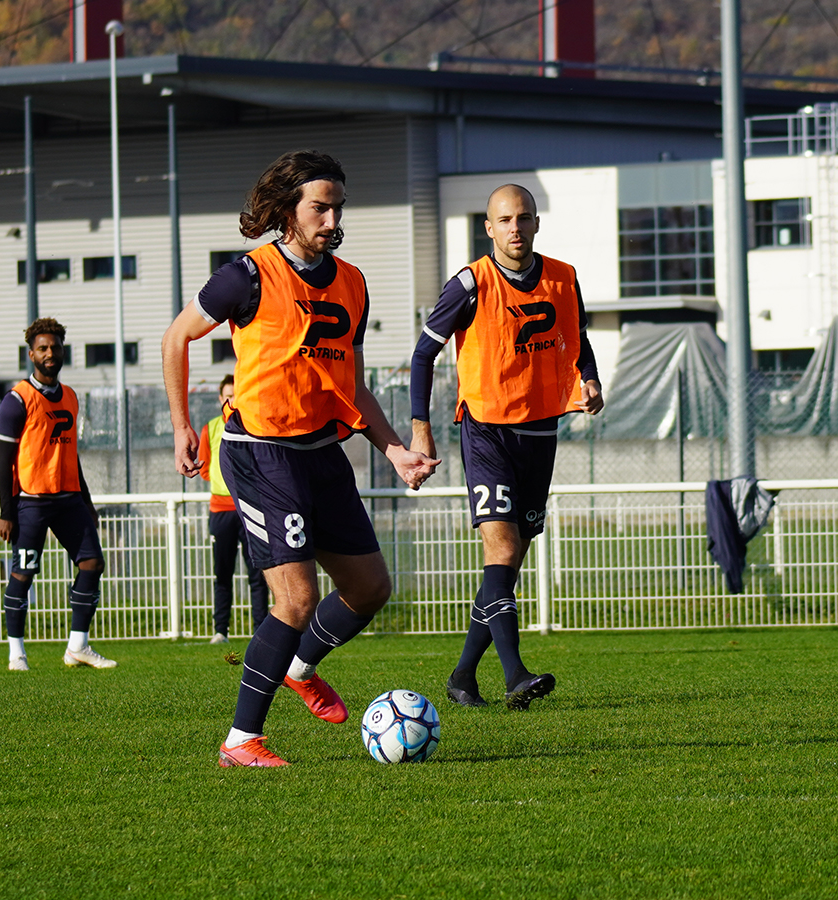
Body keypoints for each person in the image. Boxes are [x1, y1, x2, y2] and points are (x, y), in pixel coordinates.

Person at [161, 149, 439, 767]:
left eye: (338, 205)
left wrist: (393, 449)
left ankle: (299, 665)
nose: (333, 215)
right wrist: (184, 425)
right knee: (295, 600)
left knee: (369, 588)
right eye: (321, 205)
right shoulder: (248, 275)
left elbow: (352, 385)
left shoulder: (352, 282)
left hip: (321, 451)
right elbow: (177, 336)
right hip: (261, 454)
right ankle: (241, 741)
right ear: (289, 209)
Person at [410, 183, 604, 711]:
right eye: (504, 220)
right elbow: (423, 355)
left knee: (510, 563)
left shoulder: (564, 277)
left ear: (536, 223)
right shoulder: (469, 284)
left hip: (540, 430)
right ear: (489, 228)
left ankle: (462, 676)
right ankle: (515, 674)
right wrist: (420, 426)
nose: (514, 228)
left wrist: (589, 378)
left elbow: (577, 335)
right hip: (486, 429)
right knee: (502, 549)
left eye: (523, 218)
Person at [0, 317, 115, 672]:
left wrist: (88, 503)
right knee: (24, 573)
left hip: (69, 500)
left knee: (93, 563)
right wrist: (6, 511)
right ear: (31, 353)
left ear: (63, 352)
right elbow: (3, 460)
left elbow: (70, 454)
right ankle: (16, 653)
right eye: (43, 348)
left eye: (55, 347)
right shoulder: (17, 400)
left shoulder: (72, 397)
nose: (50, 353)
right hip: (31, 501)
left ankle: (78, 646)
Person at [198, 374, 270, 643]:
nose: (231, 399)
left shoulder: (254, 426)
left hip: (250, 508)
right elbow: (205, 467)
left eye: (235, 394)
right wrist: (224, 482)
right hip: (221, 510)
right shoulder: (211, 428)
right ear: (220, 398)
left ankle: (262, 630)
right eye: (227, 395)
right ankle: (220, 631)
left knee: (259, 572)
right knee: (222, 572)